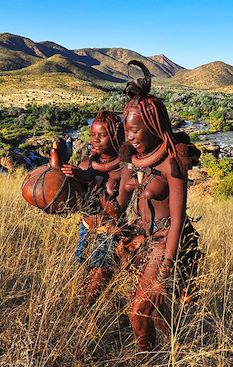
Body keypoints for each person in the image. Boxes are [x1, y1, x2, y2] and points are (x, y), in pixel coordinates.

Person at [117, 61, 202, 353]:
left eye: (135, 131)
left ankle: (147, 359)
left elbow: (177, 220)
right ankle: (180, 349)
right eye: (126, 130)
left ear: (153, 127)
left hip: (164, 244)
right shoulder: (132, 160)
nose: (129, 136)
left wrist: (166, 266)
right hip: (143, 241)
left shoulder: (171, 165)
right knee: (157, 310)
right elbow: (121, 201)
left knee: (138, 313)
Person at [61, 111, 124, 306]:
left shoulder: (124, 168)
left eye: (101, 135)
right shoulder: (86, 164)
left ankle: (86, 314)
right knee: (82, 270)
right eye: (92, 135)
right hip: (86, 228)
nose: (95, 140)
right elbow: (73, 202)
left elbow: (116, 212)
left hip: (109, 233)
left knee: (100, 275)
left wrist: (88, 182)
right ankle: (85, 312)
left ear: (115, 136)